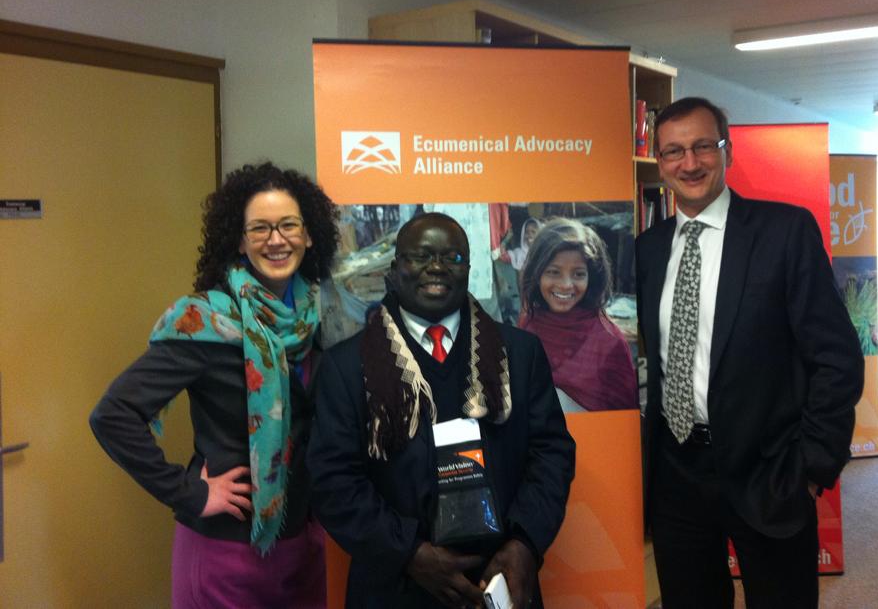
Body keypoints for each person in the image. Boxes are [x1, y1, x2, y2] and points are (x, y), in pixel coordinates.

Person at [634, 97, 864, 609]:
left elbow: (836, 357)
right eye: (674, 151)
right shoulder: (647, 249)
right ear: (660, 162)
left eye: (702, 146)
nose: (689, 163)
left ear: (728, 150)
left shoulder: (784, 232)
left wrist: (812, 468)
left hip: (770, 470)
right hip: (677, 472)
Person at [89, 162, 339, 608]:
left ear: (309, 235)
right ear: (239, 241)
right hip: (226, 552)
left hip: (303, 547)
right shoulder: (204, 321)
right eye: (259, 228)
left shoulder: (321, 319)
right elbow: (112, 415)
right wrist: (189, 493)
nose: (276, 239)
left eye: (288, 225)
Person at [308, 212, 575, 608]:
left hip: (500, 581)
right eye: (420, 256)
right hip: (395, 587)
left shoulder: (520, 355)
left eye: (453, 258)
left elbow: (552, 455)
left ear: (468, 269)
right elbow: (333, 482)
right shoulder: (347, 367)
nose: (436, 267)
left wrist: (524, 543)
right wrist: (408, 553)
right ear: (395, 268)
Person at [518, 218, 637, 412]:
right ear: (537, 274)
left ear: (593, 277)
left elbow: (624, 417)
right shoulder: (529, 323)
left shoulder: (609, 341)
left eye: (578, 274)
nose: (566, 284)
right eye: (553, 272)